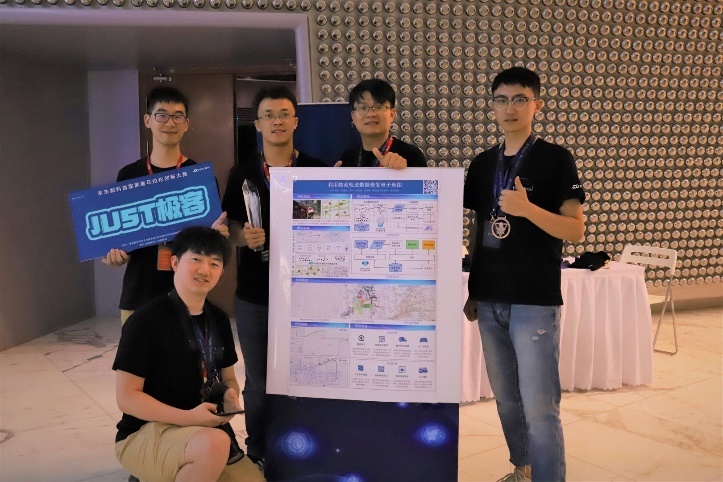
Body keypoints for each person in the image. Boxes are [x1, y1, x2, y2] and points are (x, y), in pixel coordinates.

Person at [463, 67, 585, 481]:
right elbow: (479, 227)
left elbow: (575, 229)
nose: (510, 108)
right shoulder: (482, 164)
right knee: (506, 400)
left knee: (539, 406)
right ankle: (524, 469)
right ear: (493, 106)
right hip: (490, 297)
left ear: (537, 105)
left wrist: (528, 210)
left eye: (520, 99)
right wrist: (474, 288)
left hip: (534, 298)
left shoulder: (556, 159)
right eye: (501, 100)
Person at [222, 86, 327, 469]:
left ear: (295, 121)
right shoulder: (243, 173)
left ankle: (304, 449)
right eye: (269, 115)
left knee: (308, 376)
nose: (277, 121)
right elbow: (230, 227)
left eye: (284, 114)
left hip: (308, 296)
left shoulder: (316, 170)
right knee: (259, 381)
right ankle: (259, 451)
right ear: (258, 124)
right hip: (255, 296)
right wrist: (243, 237)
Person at [113, 226, 262, 482]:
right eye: (196, 259)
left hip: (200, 431)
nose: (204, 270)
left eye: (214, 264)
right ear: (174, 263)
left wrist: (229, 395)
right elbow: (127, 398)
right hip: (146, 431)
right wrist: (188, 417)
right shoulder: (145, 320)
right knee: (214, 444)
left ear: (221, 272)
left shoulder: (219, 319)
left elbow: (228, 378)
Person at [102, 86, 228, 323]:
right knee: (136, 349)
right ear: (147, 120)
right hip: (138, 294)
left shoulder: (200, 177)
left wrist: (217, 237)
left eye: (178, 116)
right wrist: (115, 254)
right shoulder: (129, 175)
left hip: (187, 296)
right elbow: (119, 237)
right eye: (162, 115)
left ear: (186, 124)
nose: (170, 123)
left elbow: (208, 240)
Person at [336, 79, 427, 169]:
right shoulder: (346, 159)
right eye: (362, 108)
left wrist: (404, 172)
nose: (371, 114)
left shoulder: (410, 155)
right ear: (353, 117)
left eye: (379, 107)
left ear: (392, 114)